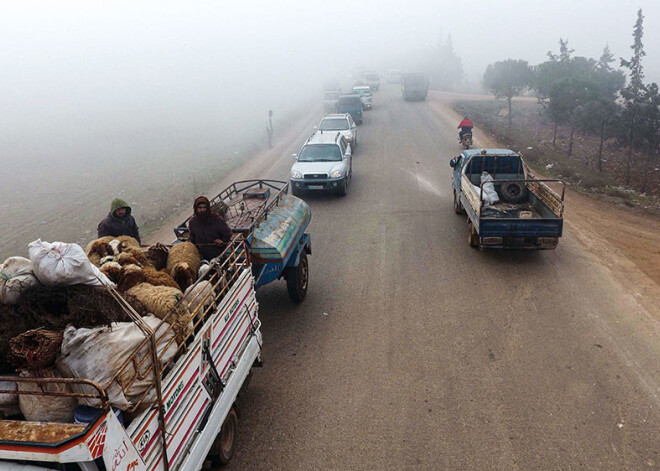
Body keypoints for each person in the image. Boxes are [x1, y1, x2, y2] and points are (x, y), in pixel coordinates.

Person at [188, 196, 233, 261]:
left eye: (204, 207)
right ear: (196, 209)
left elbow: (228, 233)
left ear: (208, 208)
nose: (202, 210)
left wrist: (222, 241)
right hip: (202, 256)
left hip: (218, 254)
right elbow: (192, 237)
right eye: (200, 208)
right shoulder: (193, 222)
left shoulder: (216, 219)